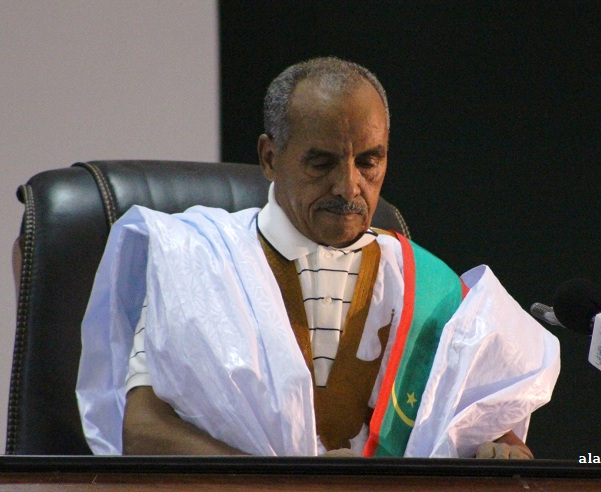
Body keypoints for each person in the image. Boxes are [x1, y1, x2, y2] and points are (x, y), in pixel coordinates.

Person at [76, 57, 560, 459]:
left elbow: (484, 431)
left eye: (368, 161)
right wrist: (290, 485)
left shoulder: (428, 286)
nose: (349, 186)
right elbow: (142, 430)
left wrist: (500, 451)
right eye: (322, 162)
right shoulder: (196, 259)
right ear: (270, 157)